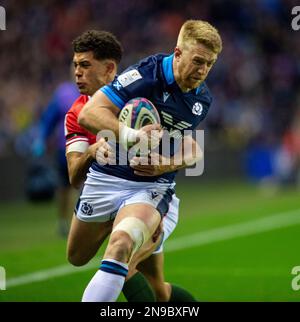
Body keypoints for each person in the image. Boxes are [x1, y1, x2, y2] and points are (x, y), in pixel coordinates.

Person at [77, 20, 222, 302]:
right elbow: (90, 114)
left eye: (210, 64)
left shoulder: (201, 100)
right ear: (178, 53)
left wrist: (164, 165)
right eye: (198, 62)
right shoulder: (145, 75)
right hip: (110, 182)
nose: (203, 71)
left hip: (152, 192)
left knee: (121, 254)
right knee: (155, 290)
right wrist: (130, 136)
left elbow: (190, 145)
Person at [31, 80, 79, 237]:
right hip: (64, 148)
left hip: (88, 147)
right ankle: (63, 222)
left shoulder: (96, 90)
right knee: (64, 187)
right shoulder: (64, 93)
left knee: (78, 186)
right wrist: (41, 139)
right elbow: (49, 118)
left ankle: (77, 221)